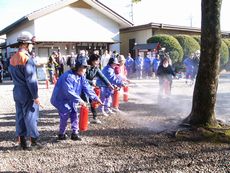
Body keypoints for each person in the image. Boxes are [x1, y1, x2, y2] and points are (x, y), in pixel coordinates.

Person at [50, 58, 102, 141]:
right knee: (65, 113)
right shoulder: (68, 76)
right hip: (60, 99)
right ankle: (61, 134)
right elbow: (68, 91)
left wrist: (95, 98)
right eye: (83, 67)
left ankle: (75, 133)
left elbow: (87, 88)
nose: (85, 70)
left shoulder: (81, 76)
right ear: (77, 67)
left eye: (86, 67)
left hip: (71, 99)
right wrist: (80, 100)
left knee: (74, 113)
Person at [8, 31, 42, 150]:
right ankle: (34, 141)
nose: (32, 46)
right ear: (25, 44)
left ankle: (22, 141)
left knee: (20, 116)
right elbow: (31, 80)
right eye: (31, 44)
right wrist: (36, 96)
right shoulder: (27, 59)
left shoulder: (12, 58)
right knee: (31, 116)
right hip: (27, 92)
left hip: (17, 91)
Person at [82, 54, 114, 124]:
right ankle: (83, 119)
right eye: (97, 61)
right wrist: (91, 82)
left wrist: (109, 85)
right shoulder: (86, 67)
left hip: (89, 87)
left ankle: (95, 118)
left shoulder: (96, 68)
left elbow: (102, 77)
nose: (98, 62)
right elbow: (82, 79)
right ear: (92, 61)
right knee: (85, 102)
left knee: (93, 101)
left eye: (98, 61)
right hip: (82, 87)